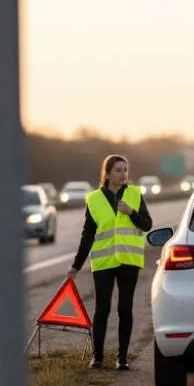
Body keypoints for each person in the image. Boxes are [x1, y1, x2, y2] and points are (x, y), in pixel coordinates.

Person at [67, 154, 153, 370]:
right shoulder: (94, 199)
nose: (123, 174)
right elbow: (87, 234)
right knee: (102, 309)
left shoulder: (135, 194)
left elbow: (147, 224)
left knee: (125, 309)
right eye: (118, 170)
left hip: (129, 260)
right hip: (104, 262)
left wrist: (131, 212)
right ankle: (97, 357)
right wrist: (76, 266)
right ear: (107, 173)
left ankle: (121, 358)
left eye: (125, 170)